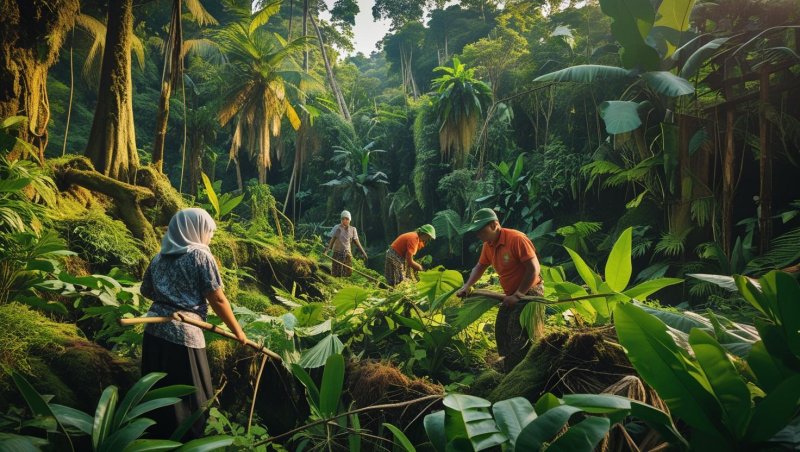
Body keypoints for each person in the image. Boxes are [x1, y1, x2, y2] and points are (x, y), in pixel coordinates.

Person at [140, 208, 247, 440]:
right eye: (208, 232)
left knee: (158, 396)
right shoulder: (200, 256)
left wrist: (168, 299)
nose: (210, 237)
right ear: (195, 230)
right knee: (192, 400)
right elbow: (217, 298)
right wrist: (238, 332)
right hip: (184, 337)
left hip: (153, 333)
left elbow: (146, 290)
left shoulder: (159, 257)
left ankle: (156, 443)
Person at [456, 208, 543, 372]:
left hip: (530, 291)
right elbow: (480, 266)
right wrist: (466, 286)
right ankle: (508, 364)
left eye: (481, 230)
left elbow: (534, 268)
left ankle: (521, 369)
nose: (478, 234)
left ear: (494, 225)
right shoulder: (488, 245)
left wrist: (519, 294)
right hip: (511, 294)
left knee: (516, 329)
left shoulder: (516, 239)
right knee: (501, 327)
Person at [323, 210, 368, 277]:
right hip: (337, 253)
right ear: (341, 219)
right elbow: (332, 241)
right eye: (343, 219)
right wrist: (326, 251)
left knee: (347, 274)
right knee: (336, 273)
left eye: (347, 219)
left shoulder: (353, 229)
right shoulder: (337, 228)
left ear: (349, 220)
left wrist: (364, 253)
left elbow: (357, 242)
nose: (344, 220)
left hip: (347, 254)